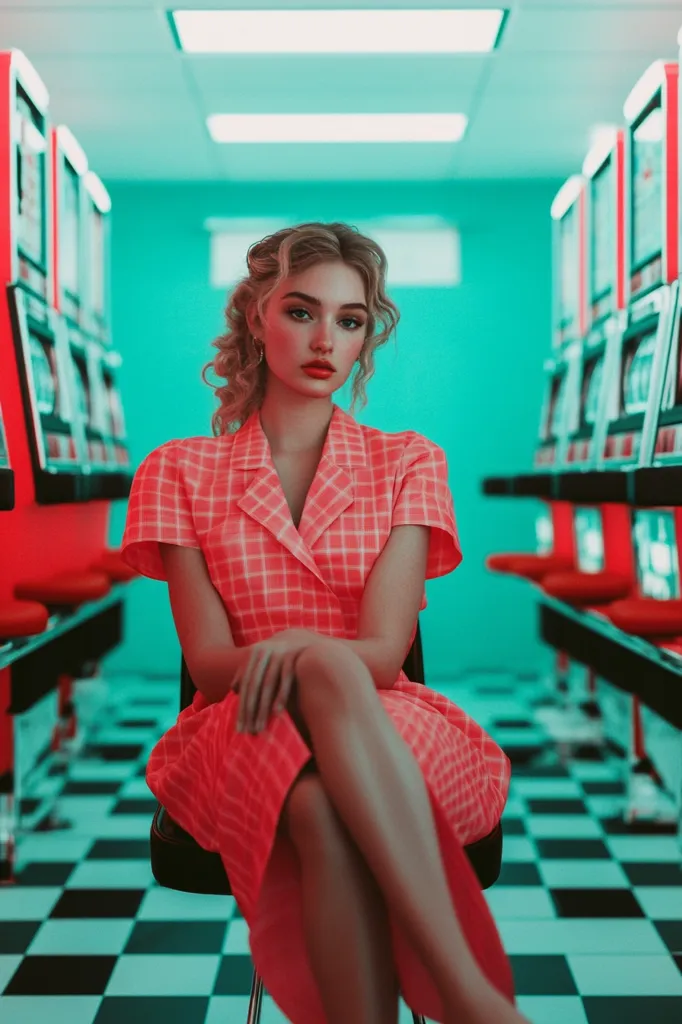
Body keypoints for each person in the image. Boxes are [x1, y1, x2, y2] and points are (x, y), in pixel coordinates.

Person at [120, 222, 530, 1024]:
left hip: (388, 717)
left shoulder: (410, 458)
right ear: (254, 317)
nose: (326, 340)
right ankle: (467, 992)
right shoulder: (176, 469)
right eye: (302, 312)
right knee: (310, 783)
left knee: (316, 786)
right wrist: (308, 656)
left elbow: (381, 655)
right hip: (237, 720)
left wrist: (306, 650)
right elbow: (208, 665)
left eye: (350, 320)